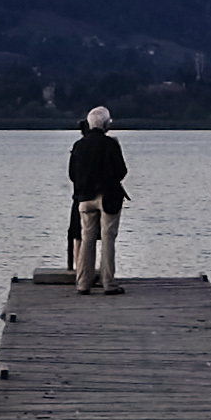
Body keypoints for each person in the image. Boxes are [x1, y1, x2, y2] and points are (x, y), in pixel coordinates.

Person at [66, 104, 127, 291]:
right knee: (108, 240)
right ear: (106, 125)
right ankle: (108, 283)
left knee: (86, 240)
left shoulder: (79, 145)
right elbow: (121, 171)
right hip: (108, 198)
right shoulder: (111, 145)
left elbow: (72, 174)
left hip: (85, 198)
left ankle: (83, 283)